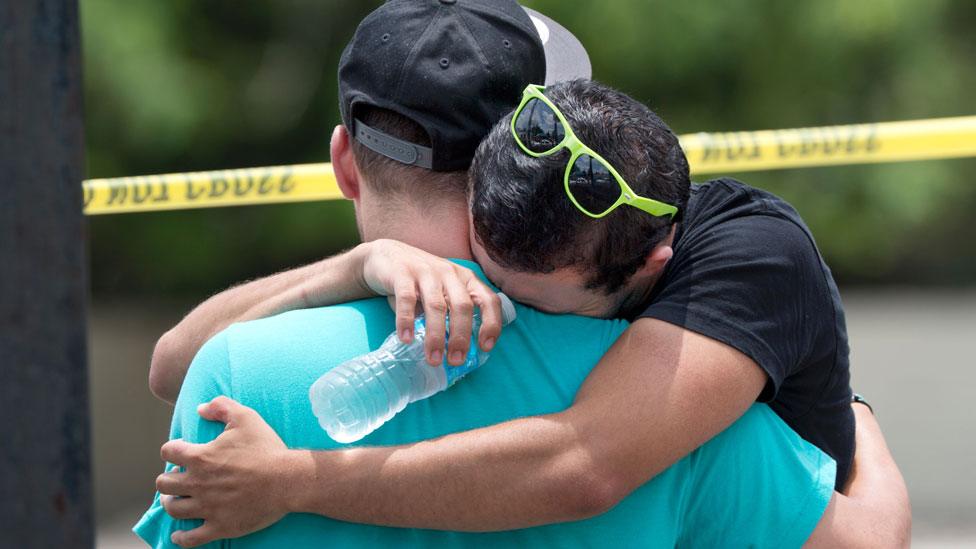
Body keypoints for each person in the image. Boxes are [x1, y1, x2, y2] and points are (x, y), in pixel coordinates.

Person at [147, 0, 908, 544]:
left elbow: (175, 367)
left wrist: (298, 478)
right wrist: (361, 264)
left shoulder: (238, 372)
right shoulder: (697, 424)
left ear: (344, 162)